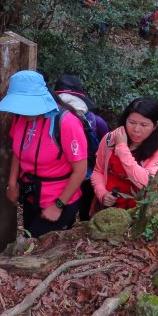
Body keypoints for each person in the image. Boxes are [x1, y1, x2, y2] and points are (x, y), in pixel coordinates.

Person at [0, 70, 88, 238]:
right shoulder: (21, 117)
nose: (23, 110)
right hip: (32, 196)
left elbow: (80, 171)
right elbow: (18, 152)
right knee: (29, 239)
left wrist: (58, 205)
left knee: (34, 248)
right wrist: (12, 183)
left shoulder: (66, 123)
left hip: (60, 200)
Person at [91, 97, 158, 212]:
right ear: (125, 120)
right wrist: (102, 193)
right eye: (132, 122)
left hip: (138, 212)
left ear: (155, 125)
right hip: (107, 209)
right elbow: (98, 170)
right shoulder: (110, 138)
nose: (136, 129)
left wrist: (122, 148)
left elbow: (147, 183)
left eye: (144, 125)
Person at [53, 74, 109, 220]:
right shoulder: (96, 121)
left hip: (65, 175)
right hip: (86, 173)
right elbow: (107, 145)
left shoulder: (50, 118)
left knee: (70, 211)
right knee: (80, 210)